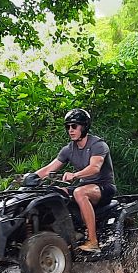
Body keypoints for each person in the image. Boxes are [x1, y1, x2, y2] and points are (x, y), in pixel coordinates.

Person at [35, 108, 116, 252]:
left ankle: (92, 241)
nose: (70, 130)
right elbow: (49, 169)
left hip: (103, 187)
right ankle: (66, 235)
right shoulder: (68, 149)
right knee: (54, 193)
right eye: (68, 127)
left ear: (84, 126)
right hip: (84, 185)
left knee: (79, 193)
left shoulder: (98, 145)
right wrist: (30, 178)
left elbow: (94, 168)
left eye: (74, 126)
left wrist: (75, 175)